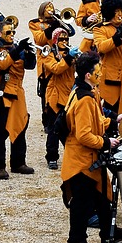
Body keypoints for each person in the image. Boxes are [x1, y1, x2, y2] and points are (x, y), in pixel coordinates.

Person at [61, 52, 121, 243]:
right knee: (82, 203)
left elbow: (94, 121)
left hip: (87, 158)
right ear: (88, 75)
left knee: (104, 195)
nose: (101, 73)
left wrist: (114, 121)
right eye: (98, 70)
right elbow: (84, 135)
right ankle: (76, 241)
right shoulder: (84, 99)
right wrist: (106, 142)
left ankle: (108, 232)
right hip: (81, 160)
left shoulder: (83, 89)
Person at [0, 21, 37, 179]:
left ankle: (18, 162)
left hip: (17, 93)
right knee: (0, 131)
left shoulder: (16, 48)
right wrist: (18, 49)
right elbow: (0, 64)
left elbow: (29, 66)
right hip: (1, 93)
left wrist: (29, 53)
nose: (12, 35)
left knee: (21, 126)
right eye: (8, 33)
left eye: (13, 32)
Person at [39, 28, 77, 170]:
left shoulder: (70, 53)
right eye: (61, 39)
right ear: (55, 41)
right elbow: (56, 68)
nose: (64, 42)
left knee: (69, 128)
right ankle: (52, 157)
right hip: (54, 96)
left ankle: (72, 153)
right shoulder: (48, 54)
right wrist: (68, 58)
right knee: (54, 129)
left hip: (68, 95)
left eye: (66, 39)